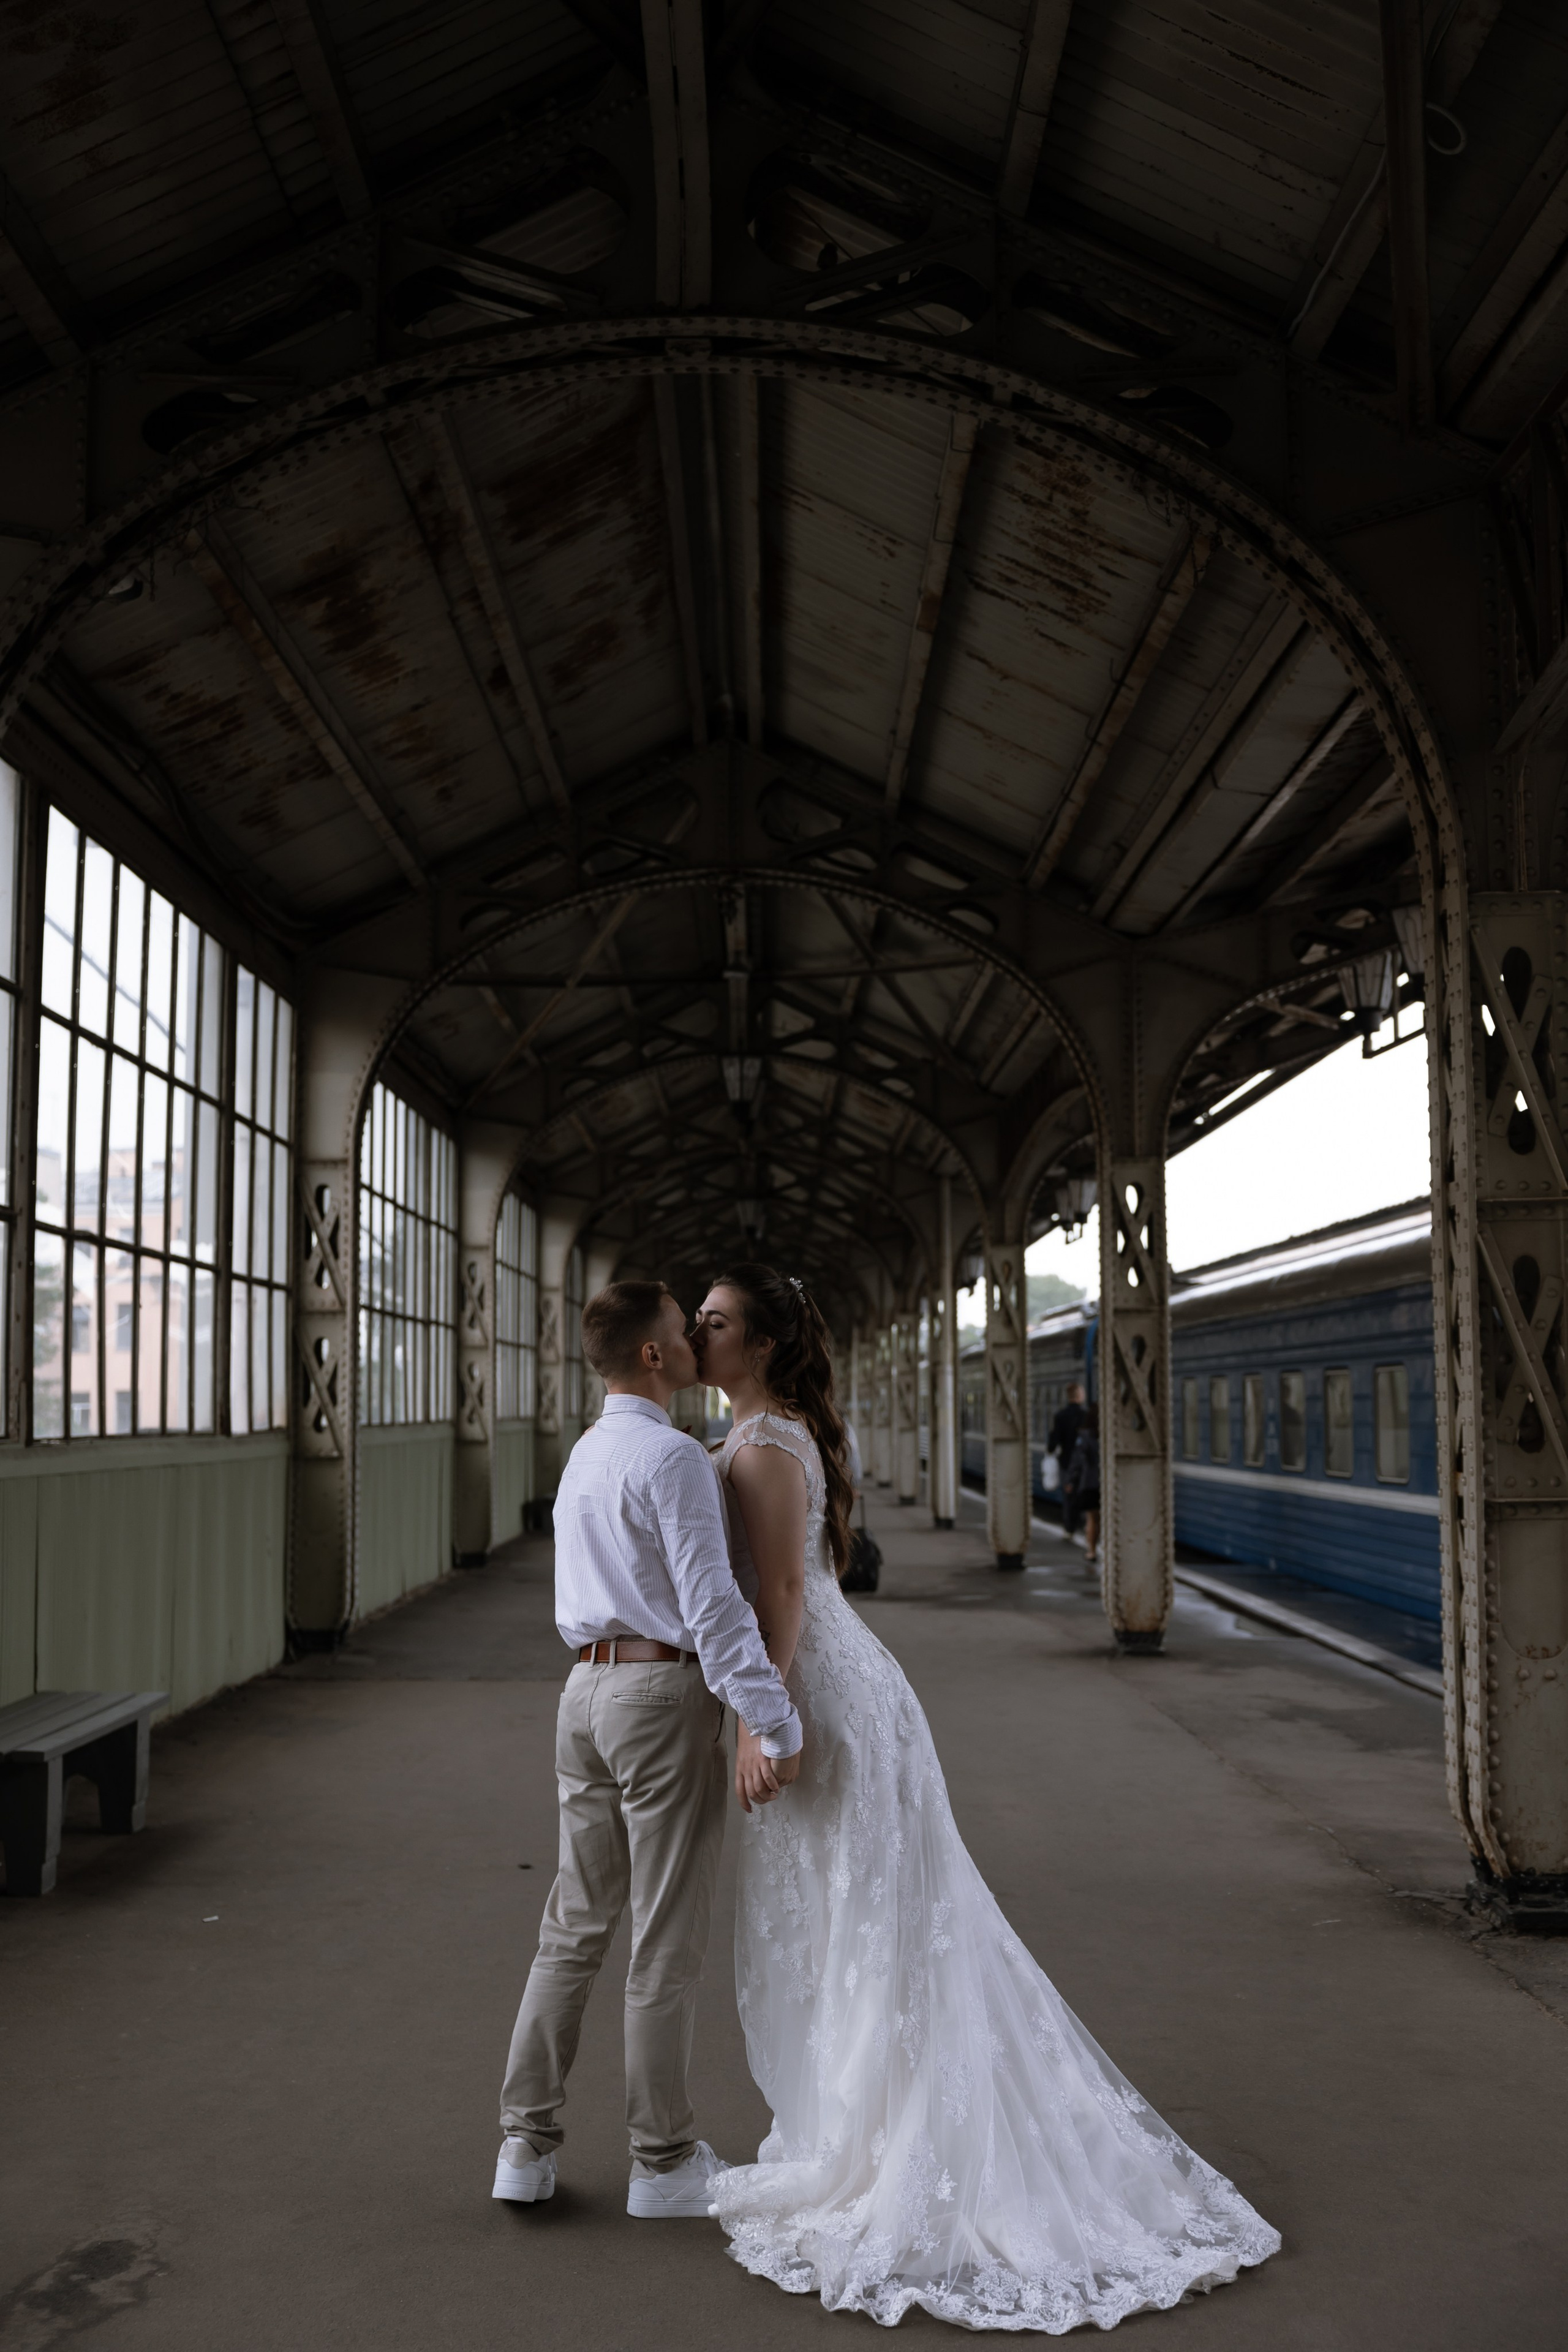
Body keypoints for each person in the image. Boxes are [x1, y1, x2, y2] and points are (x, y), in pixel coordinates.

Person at [696, 1265, 1280, 2332]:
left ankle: (891, 2149)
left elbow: (781, 1589)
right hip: (838, 1687)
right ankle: (858, 2131)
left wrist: (762, 1722)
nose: (699, 1332)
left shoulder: (768, 1445)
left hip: (826, 1699)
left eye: (718, 1322)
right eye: (697, 1319)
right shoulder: (760, 1436)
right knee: (859, 1923)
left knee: (875, 1924)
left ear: (765, 1347)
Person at [492, 1280, 802, 2217]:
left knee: (574, 1927)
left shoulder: (588, 1453)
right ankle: (662, 2162)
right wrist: (774, 1721)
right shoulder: (672, 1460)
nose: (696, 1339)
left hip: (582, 1690)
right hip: (660, 1695)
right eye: (684, 1328)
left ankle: (524, 2145)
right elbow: (714, 1609)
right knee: (664, 1939)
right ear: (656, 1356)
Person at [1064, 1404, 1102, 1566]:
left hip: (1091, 1483)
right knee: (1106, 1518)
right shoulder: (1111, 1434)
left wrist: (1071, 1480)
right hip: (1108, 1483)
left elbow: (1078, 1461)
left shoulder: (1085, 1436)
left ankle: (1092, 1551)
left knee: (1092, 1519)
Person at [1049, 1382, 1088, 1532]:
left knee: (1069, 1496)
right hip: (1085, 1464)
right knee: (1084, 1494)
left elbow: (1053, 1443)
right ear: (1079, 1396)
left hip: (1067, 1463)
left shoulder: (1060, 1416)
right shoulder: (1086, 1416)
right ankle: (1086, 1527)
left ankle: (1069, 1527)